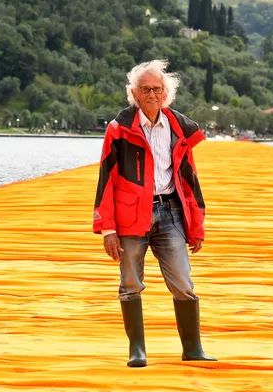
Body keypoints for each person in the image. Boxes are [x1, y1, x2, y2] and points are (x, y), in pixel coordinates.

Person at [93, 59, 216, 368]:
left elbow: (190, 181)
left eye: (157, 89)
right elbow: (105, 179)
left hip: (171, 211)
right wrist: (107, 228)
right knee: (131, 283)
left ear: (166, 94)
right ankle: (137, 351)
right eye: (145, 89)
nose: (151, 94)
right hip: (130, 217)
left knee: (183, 283)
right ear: (134, 93)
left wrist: (197, 227)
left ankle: (193, 348)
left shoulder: (179, 129)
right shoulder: (119, 129)